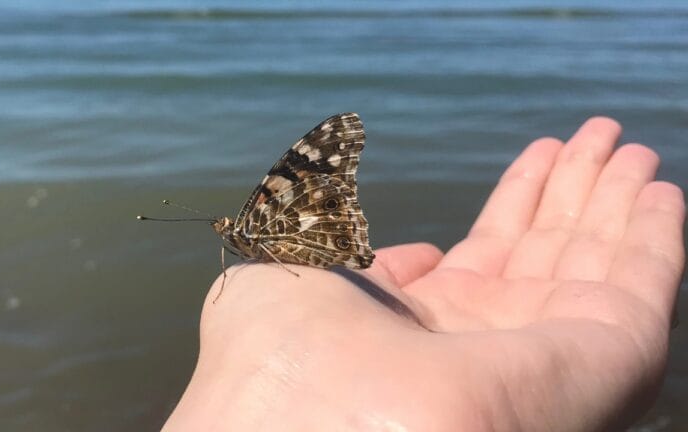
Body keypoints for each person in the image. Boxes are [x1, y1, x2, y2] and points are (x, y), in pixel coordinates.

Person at [162, 117, 685, 431]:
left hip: (320, 237)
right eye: (225, 231)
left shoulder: (258, 224)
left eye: (226, 229)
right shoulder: (247, 244)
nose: (225, 234)